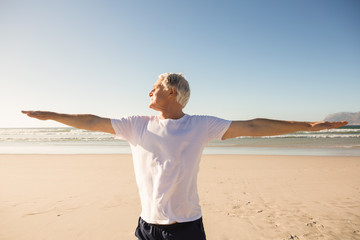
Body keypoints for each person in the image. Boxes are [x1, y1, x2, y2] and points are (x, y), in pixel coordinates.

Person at [22, 73, 347, 240]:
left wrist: (310, 126)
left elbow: (253, 125)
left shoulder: (201, 125)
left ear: (172, 91)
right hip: (147, 226)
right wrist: (51, 114)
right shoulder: (136, 125)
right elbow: (92, 121)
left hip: (185, 229)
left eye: (155, 87)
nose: (149, 92)